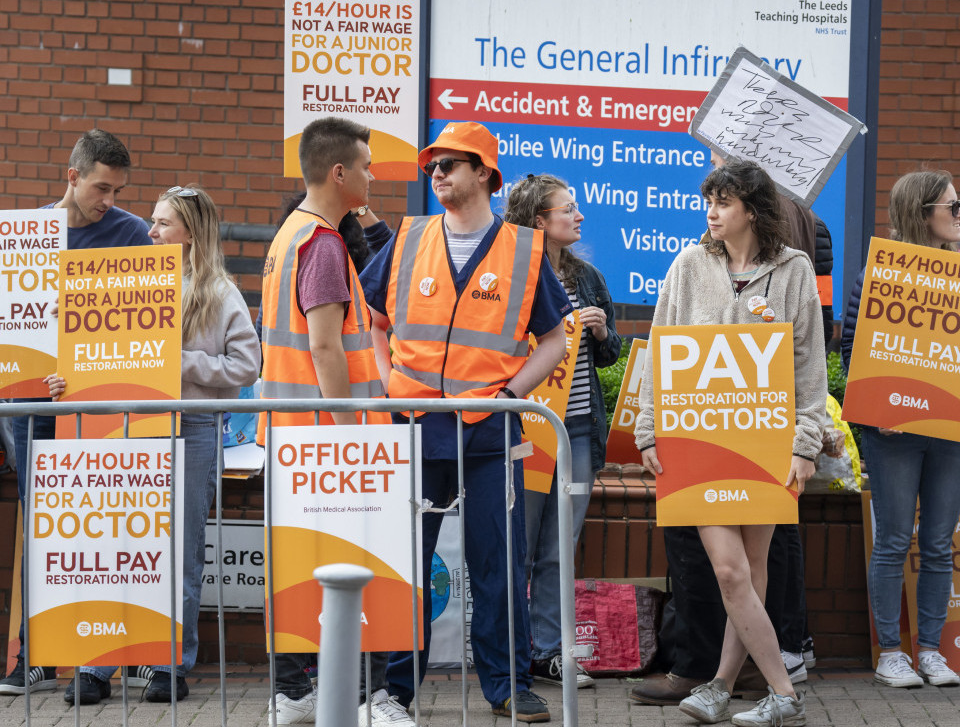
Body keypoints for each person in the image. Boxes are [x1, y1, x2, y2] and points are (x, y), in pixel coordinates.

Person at [359, 121, 571, 724]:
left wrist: (510, 393)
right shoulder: (407, 239)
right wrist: (387, 384)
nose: (439, 173)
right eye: (435, 165)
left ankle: (508, 687)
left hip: (488, 427)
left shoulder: (524, 251)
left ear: (484, 173)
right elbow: (375, 321)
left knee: (497, 562)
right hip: (415, 425)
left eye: (452, 163)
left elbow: (554, 340)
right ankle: (396, 691)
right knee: (405, 562)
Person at [45, 186, 260, 702]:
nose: (151, 232)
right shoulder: (126, 278)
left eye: (163, 223)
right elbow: (97, 355)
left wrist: (179, 360)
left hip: (191, 430)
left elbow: (246, 366)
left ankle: (168, 667)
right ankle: (99, 667)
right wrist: (65, 376)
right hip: (125, 430)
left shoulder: (219, 291)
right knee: (116, 548)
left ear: (190, 232)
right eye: (152, 221)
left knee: (181, 551)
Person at [634, 159, 826, 726]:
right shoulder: (689, 265)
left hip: (768, 439)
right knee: (729, 570)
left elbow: (809, 368)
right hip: (698, 438)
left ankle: (719, 684)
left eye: (723, 202)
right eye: (709, 201)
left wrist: (805, 443)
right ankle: (784, 694)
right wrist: (649, 429)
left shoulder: (794, 271)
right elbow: (659, 345)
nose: (712, 212)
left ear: (752, 209)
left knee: (754, 568)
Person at [257, 117, 400, 726]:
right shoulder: (321, 243)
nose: (373, 176)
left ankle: (291, 692)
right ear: (339, 173)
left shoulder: (290, 234)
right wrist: (350, 432)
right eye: (367, 166)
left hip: (292, 431)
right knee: (348, 567)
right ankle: (331, 695)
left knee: (296, 567)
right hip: (326, 438)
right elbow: (325, 348)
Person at [0, 129, 153, 701]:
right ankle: (34, 655)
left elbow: (146, 327)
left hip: (97, 406)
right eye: (100, 187)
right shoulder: (28, 237)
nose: (108, 200)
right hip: (32, 405)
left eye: (116, 190)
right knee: (46, 528)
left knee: (100, 527)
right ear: (71, 176)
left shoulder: (133, 234)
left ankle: (112, 652)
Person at [839, 169, 960, 689]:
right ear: (921, 212)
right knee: (892, 541)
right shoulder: (879, 272)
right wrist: (879, 405)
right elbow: (849, 351)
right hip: (894, 431)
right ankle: (891, 652)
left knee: (937, 543)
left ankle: (930, 649)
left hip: (952, 425)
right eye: (953, 206)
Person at [504, 174, 621, 689]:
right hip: (525, 429)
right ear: (538, 222)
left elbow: (610, 354)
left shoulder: (588, 278)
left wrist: (599, 331)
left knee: (558, 546)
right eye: (567, 209)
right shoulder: (510, 275)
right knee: (517, 546)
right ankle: (508, 653)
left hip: (576, 431)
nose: (578, 216)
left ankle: (550, 652)